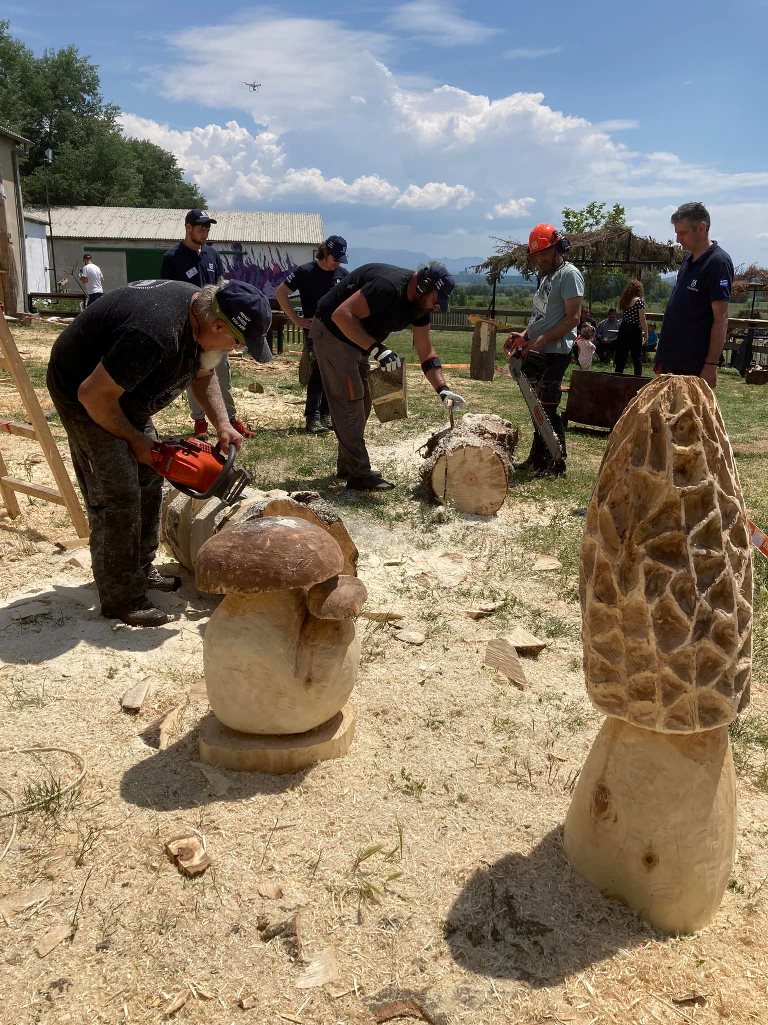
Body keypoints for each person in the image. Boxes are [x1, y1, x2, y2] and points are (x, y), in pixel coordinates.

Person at [46, 279, 272, 627]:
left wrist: (223, 424)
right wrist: (137, 441)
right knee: (118, 492)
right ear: (216, 325)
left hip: (122, 390)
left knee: (151, 475)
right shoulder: (155, 333)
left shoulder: (201, 315)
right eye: (237, 342)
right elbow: (94, 395)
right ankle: (121, 596)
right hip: (86, 393)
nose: (236, 350)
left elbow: (203, 371)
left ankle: (139, 568)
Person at [310, 263, 466, 491]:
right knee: (350, 401)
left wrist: (442, 389)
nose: (436, 305)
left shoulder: (420, 308)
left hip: (356, 341)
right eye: (435, 298)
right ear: (424, 286)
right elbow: (341, 315)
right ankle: (359, 474)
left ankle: (348, 466)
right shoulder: (388, 287)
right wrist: (377, 349)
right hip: (333, 333)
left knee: (362, 404)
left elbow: (426, 352)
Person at [161, 209, 254, 439]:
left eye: (207, 228)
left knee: (223, 374)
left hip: (216, 327)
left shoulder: (212, 254)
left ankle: (230, 419)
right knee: (196, 373)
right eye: (200, 227)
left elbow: (221, 287)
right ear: (188, 227)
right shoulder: (172, 257)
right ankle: (200, 422)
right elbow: (169, 292)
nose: (205, 231)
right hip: (191, 328)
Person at [504, 223, 583, 478]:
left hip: (557, 350)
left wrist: (544, 339)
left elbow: (573, 318)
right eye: (536, 255)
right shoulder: (547, 277)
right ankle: (538, 458)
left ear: (558, 248)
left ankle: (558, 463)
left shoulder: (569, 274)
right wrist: (526, 335)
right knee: (536, 406)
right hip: (540, 348)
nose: (540, 259)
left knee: (547, 407)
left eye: (544, 254)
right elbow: (542, 316)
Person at [275, 235, 349, 434]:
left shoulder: (343, 275)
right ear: (325, 253)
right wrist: (296, 319)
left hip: (338, 334)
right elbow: (280, 293)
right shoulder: (305, 271)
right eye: (335, 259)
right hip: (314, 332)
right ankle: (312, 417)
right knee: (318, 372)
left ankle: (326, 414)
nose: (337, 264)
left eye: (341, 260)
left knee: (334, 374)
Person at [656, 202, 734, 389]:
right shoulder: (688, 259)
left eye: (682, 233)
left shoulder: (718, 262)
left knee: (688, 417)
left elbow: (721, 318)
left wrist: (711, 365)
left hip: (693, 364)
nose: (677, 239)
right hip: (671, 359)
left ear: (701, 228)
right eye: (676, 232)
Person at [614, 279, 648, 376]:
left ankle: (617, 379)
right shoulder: (639, 301)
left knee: (621, 356)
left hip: (623, 328)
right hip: (634, 330)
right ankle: (637, 380)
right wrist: (646, 332)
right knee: (637, 357)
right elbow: (642, 319)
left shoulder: (625, 300)